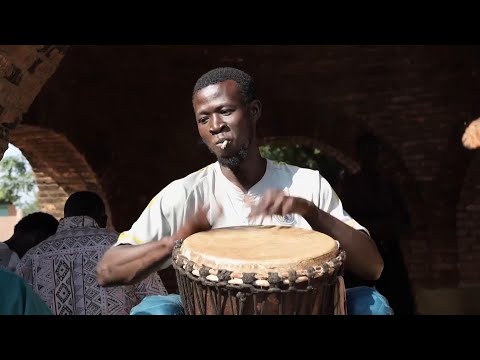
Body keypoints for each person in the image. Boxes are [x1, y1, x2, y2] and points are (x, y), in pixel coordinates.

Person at [97, 67, 392, 315]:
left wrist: (311, 213)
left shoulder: (306, 183)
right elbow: (108, 271)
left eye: (225, 111)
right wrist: (174, 241)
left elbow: (373, 268)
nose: (215, 126)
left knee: (372, 304)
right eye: (203, 118)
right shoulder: (184, 193)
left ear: (253, 111)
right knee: (154, 310)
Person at [16, 191, 167, 315]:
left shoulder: (32, 258)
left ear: (64, 218)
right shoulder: (126, 250)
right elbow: (160, 305)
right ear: (103, 220)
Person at [339, 132, 416, 315]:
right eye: (366, 151)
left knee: (400, 301)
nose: (371, 156)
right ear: (359, 154)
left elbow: (405, 222)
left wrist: (385, 227)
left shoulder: (388, 184)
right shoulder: (350, 184)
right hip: (361, 256)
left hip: (389, 253)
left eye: (374, 151)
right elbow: (345, 222)